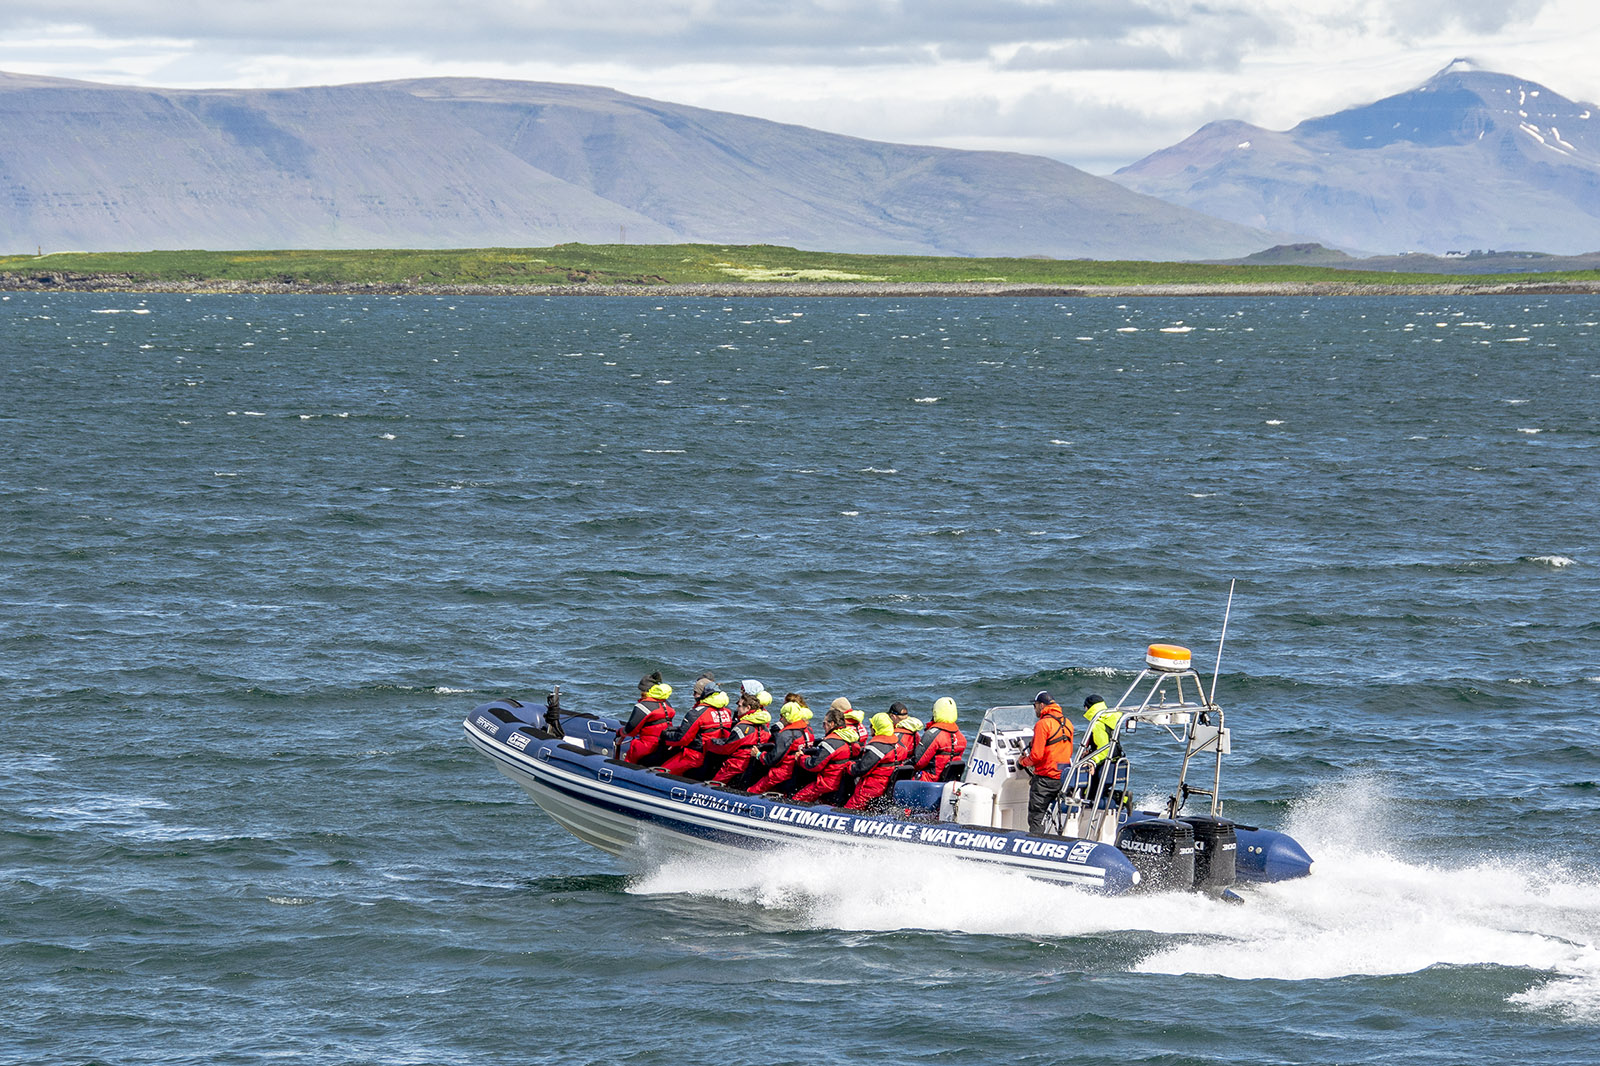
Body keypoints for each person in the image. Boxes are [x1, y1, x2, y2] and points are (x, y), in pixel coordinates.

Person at [1017, 690, 1073, 834]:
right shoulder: (1068, 723)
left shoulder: (1043, 724)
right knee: (1059, 815)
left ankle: (1036, 843)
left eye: (1034, 705)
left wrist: (1023, 762)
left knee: (1037, 815)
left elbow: (1036, 756)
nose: (1034, 709)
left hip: (1045, 779)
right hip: (1063, 777)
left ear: (1042, 705)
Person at [660, 683, 735, 777]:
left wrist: (664, 736)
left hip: (694, 756)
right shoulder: (726, 712)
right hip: (716, 756)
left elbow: (682, 738)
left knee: (661, 773)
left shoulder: (697, 713)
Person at [791, 709, 861, 804]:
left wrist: (800, 758)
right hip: (843, 781)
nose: (823, 727)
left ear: (831, 724)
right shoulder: (849, 738)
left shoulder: (830, 743)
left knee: (798, 798)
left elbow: (814, 765)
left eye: (824, 724)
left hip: (828, 782)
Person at [749, 698, 816, 793]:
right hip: (800, 770)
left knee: (753, 790)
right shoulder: (808, 730)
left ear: (785, 717)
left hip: (784, 771)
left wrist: (759, 754)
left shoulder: (786, 734)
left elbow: (774, 758)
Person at [709, 691, 774, 786]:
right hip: (755, 763)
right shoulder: (764, 726)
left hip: (738, 763)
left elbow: (727, 748)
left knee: (715, 783)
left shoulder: (742, 727)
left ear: (747, 708)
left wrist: (709, 745)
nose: (737, 708)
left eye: (739, 706)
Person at [844, 713, 904, 810]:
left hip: (870, 789)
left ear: (876, 728)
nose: (870, 727)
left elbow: (861, 769)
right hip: (888, 788)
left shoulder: (876, 747)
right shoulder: (899, 745)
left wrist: (848, 766)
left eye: (872, 725)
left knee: (849, 809)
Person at [618, 672, 674, 765]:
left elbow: (631, 729)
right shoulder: (666, 703)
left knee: (631, 756)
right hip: (664, 744)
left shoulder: (643, 706)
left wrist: (620, 732)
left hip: (648, 745)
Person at [1081, 694, 1125, 802]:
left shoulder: (1097, 724)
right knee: (1100, 790)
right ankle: (1122, 799)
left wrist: (1092, 760)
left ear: (1088, 708)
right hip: (1115, 761)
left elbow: (1104, 748)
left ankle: (1122, 799)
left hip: (1103, 763)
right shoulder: (1112, 719)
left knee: (1087, 793)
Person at [911, 697, 967, 781]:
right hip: (950, 782)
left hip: (929, 781)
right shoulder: (961, 737)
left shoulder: (932, 735)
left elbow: (917, 763)